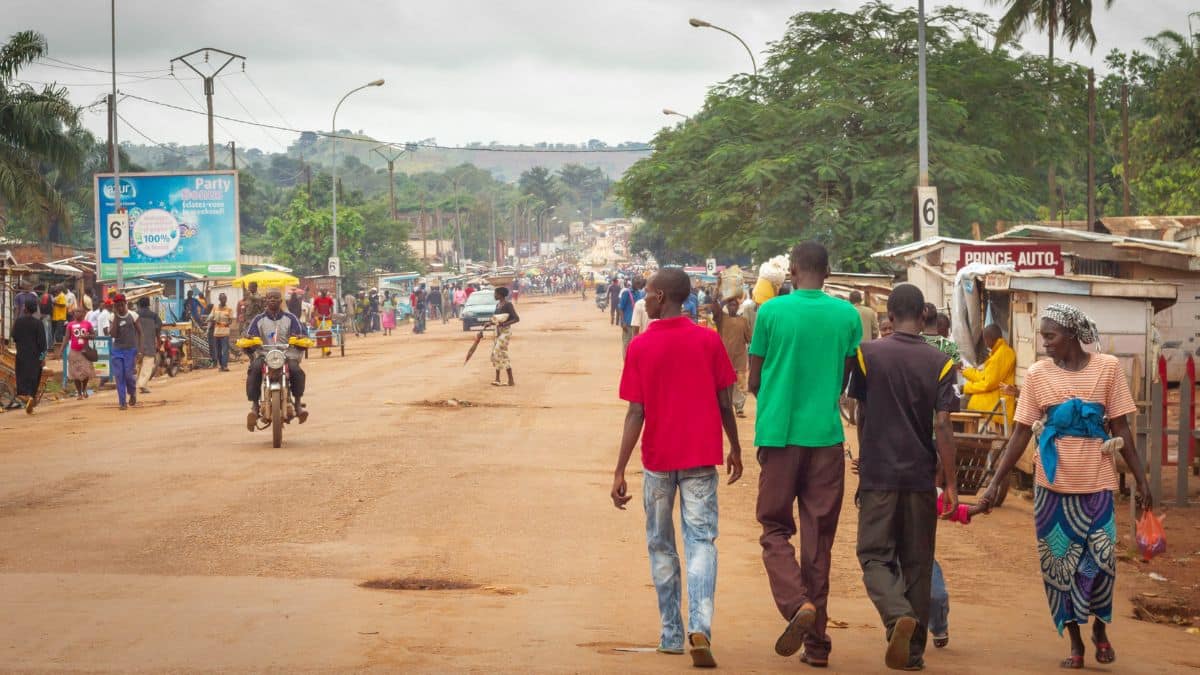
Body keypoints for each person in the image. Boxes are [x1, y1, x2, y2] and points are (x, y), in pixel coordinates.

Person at [979, 303, 1152, 670]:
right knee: (1060, 567)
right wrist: (996, 482)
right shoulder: (1039, 375)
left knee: (1101, 562)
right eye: (1044, 337)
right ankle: (1075, 641)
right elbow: (1021, 432)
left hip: (1097, 485)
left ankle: (1100, 629)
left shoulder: (1107, 369)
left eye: (1050, 336)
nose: (1045, 344)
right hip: (1052, 489)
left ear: (1072, 335)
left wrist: (1142, 479)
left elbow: (1121, 428)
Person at [610, 267, 743, 668]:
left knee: (661, 544)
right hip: (701, 458)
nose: (644, 300)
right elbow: (725, 401)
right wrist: (735, 446)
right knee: (701, 542)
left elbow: (636, 412)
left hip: (657, 462)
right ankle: (699, 627)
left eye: (648, 294)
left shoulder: (641, 347)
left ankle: (671, 631)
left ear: (663, 296)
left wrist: (619, 470)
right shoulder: (708, 341)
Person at [748, 241, 861, 668]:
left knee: (774, 528)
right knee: (819, 542)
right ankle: (816, 645)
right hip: (827, 439)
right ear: (827, 272)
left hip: (779, 437)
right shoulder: (848, 315)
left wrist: (778, 391)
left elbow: (754, 378)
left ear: (792, 270)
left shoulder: (771, 313)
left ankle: (797, 605)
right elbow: (847, 377)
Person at [848, 283, 960, 671]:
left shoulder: (868, 355)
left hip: (878, 473)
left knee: (874, 555)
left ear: (889, 318)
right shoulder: (941, 362)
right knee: (917, 562)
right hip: (920, 475)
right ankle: (912, 653)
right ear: (924, 317)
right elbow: (943, 425)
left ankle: (896, 615)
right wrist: (951, 481)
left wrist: (865, 455)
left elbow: (860, 410)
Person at [244, 289, 309, 428]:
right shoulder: (258, 319)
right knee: (254, 370)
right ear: (265, 301)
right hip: (264, 354)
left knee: (296, 371)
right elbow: (250, 335)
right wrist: (249, 339)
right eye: (269, 298)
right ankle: (254, 406)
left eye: (275, 298)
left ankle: (298, 404)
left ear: (281, 301)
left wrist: (300, 337)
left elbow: (300, 333)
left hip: (286, 354)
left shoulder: (291, 318)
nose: (272, 300)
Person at [963, 324, 1017, 426]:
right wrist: (964, 371)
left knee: (958, 404)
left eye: (984, 340)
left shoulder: (1002, 354)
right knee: (960, 400)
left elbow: (988, 384)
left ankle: (962, 439)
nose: (985, 343)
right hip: (991, 398)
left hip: (997, 403)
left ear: (988, 339)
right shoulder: (998, 353)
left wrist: (965, 388)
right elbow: (982, 376)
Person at [712, 291, 753, 418]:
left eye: (735, 305)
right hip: (724, 358)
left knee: (741, 384)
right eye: (730, 305)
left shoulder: (743, 321)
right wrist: (719, 295)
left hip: (739, 358)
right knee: (725, 384)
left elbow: (749, 338)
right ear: (727, 307)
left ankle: (739, 408)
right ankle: (726, 406)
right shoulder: (722, 319)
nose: (732, 307)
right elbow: (715, 308)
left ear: (738, 307)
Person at [11, 301, 46, 413]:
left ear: (25, 309)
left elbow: (14, 337)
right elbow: (43, 344)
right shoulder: (38, 323)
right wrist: (42, 358)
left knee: (22, 376)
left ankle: (24, 395)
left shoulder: (18, 322)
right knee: (34, 377)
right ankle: (31, 396)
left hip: (21, 354)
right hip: (35, 356)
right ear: (35, 310)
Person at [109, 294, 141, 410]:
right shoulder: (113, 317)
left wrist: (139, 349)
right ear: (115, 307)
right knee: (119, 376)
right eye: (118, 306)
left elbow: (140, 332)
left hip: (130, 350)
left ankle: (132, 393)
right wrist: (116, 316)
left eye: (122, 305)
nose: (120, 308)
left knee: (128, 375)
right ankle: (122, 402)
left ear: (125, 303)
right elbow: (113, 334)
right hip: (117, 350)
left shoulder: (133, 316)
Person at [490, 287, 520, 387]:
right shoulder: (498, 305)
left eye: (495, 294)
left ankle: (500, 378)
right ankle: (506, 379)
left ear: (500, 295)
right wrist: (488, 323)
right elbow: (495, 319)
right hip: (498, 331)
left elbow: (516, 319)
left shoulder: (508, 305)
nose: (494, 295)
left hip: (505, 332)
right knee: (501, 354)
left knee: (496, 352)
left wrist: (505, 324)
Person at [65, 307, 95, 400]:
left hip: (85, 351)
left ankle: (84, 389)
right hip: (74, 351)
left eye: (79, 311)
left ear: (83, 313)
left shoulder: (88, 324)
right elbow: (66, 338)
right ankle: (79, 393)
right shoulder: (70, 325)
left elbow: (94, 335)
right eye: (75, 311)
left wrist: (87, 336)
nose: (77, 313)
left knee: (86, 372)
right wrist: (61, 349)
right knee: (75, 372)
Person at [135, 297, 162, 395]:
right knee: (147, 364)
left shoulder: (135, 314)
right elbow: (159, 327)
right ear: (148, 304)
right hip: (149, 343)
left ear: (139, 305)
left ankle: (139, 384)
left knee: (138, 364)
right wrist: (158, 339)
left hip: (137, 344)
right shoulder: (154, 316)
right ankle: (142, 384)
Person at [618, 277, 646, 358]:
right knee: (627, 344)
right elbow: (621, 308)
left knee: (636, 344)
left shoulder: (640, 293)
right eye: (637, 283)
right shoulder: (626, 293)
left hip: (637, 324)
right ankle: (626, 363)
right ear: (632, 283)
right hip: (628, 323)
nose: (638, 284)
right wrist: (623, 322)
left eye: (639, 283)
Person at [208, 293, 235, 371]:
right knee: (218, 350)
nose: (224, 300)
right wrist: (210, 320)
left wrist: (227, 323)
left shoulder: (229, 309)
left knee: (225, 349)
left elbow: (230, 321)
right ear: (219, 299)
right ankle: (221, 366)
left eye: (225, 298)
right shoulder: (215, 308)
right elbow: (210, 317)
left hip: (225, 332)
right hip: (216, 332)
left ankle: (225, 365)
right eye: (222, 299)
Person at [314, 290, 335, 357]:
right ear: (321, 293)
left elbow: (332, 309)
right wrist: (318, 315)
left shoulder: (329, 299)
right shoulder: (317, 300)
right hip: (320, 320)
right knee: (321, 335)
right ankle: (324, 352)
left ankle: (326, 351)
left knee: (327, 333)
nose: (324, 294)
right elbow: (314, 309)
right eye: (323, 293)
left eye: (325, 293)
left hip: (327, 319)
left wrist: (330, 315)